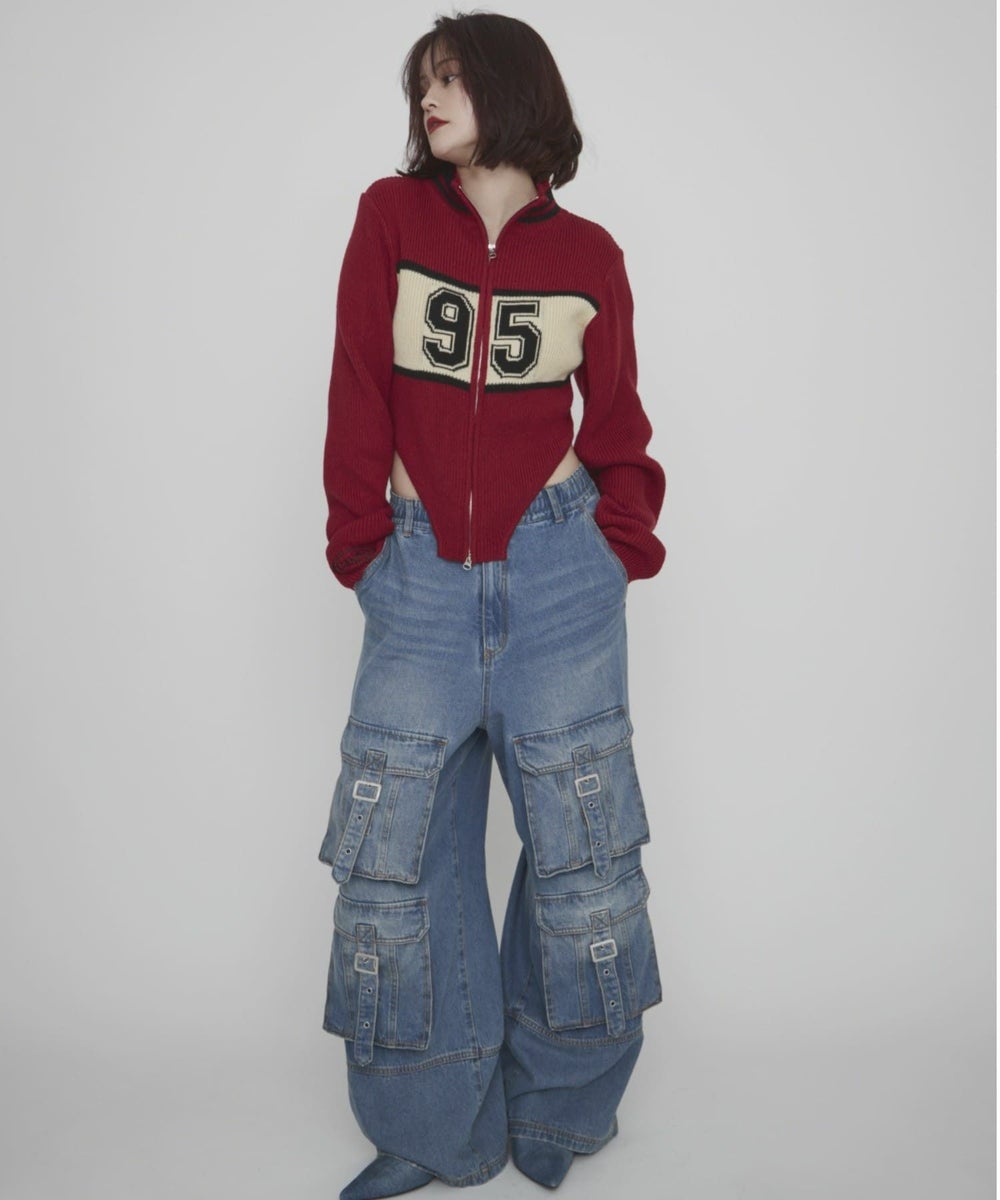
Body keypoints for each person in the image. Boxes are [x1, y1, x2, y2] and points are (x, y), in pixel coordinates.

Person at [317, 12, 667, 1199]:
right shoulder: (391, 217)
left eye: (453, 77)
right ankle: (432, 1128)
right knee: (398, 854)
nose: (431, 97)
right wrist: (365, 544)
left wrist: (619, 544)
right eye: (423, 80)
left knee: (580, 849)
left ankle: (562, 1107)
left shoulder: (591, 255)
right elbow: (357, 379)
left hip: (561, 573)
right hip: (417, 575)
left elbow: (616, 420)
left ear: (514, 90)